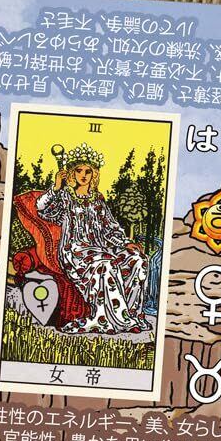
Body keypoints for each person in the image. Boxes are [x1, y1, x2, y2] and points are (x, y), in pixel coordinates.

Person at [34, 144, 151, 337]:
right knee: (106, 264)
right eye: (79, 170)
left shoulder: (97, 199)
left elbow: (109, 227)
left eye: (88, 171)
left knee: (137, 259)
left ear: (94, 174)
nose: (83, 175)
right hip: (75, 251)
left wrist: (125, 243)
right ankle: (113, 320)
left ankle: (131, 315)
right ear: (72, 173)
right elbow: (42, 209)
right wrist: (56, 187)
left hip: (101, 247)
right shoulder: (65, 196)